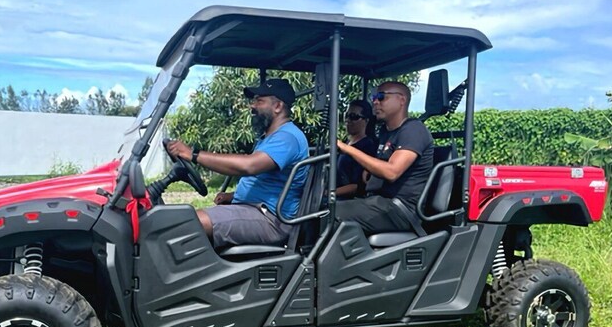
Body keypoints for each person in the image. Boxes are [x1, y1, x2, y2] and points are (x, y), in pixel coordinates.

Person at [166, 78, 309, 249]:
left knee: (185, 224)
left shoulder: (287, 138)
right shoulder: (269, 138)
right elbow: (270, 183)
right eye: (254, 100)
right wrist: (232, 196)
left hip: (270, 219)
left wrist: (193, 154)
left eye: (259, 101)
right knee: (176, 218)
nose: (252, 106)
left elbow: (249, 166)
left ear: (278, 106)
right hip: (253, 210)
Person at [335, 81, 433, 235]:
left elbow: (392, 172)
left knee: (330, 213)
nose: (375, 101)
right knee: (323, 207)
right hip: (378, 202)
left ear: (401, 100)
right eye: (374, 97)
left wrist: (347, 149)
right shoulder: (386, 132)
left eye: (381, 97)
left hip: (399, 210)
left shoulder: (413, 130)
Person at [336, 99, 377, 199]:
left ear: (366, 120)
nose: (348, 120)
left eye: (354, 117)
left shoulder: (368, 146)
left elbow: (358, 186)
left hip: (349, 200)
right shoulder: (346, 142)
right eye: (347, 116)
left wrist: (328, 193)